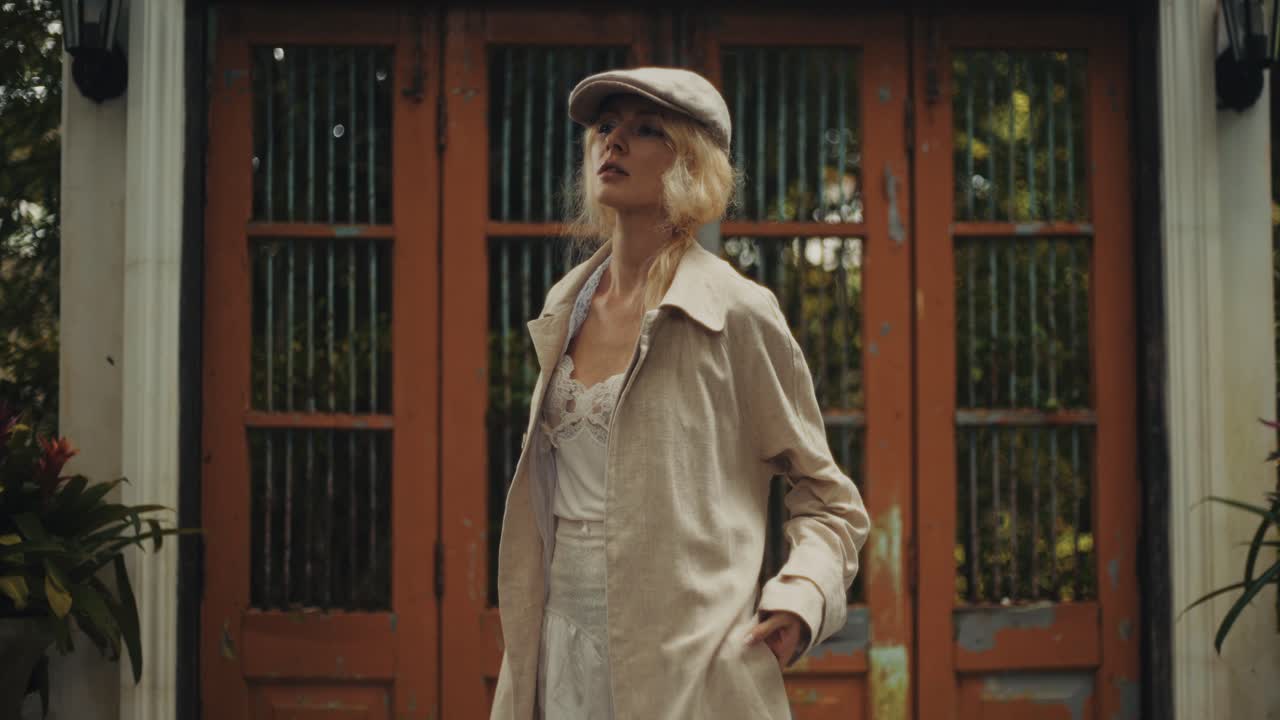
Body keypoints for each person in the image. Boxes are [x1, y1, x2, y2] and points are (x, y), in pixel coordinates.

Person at [490, 66, 871, 720]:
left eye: (644, 131)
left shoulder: (736, 312)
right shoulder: (565, 306)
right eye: (606, 128)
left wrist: (801, 595)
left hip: (693, 671)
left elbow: (830, 501)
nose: (613, 143)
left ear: (689, 163)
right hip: (557, 655)